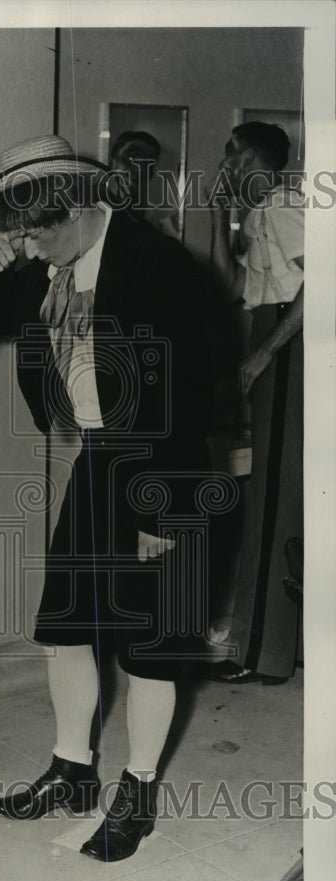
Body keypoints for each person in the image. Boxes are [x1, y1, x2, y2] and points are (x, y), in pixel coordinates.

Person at [0, 134, 211, 862]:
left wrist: (164, 512)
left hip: (159, 471)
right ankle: (72, 768)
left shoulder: (157, 263)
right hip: (99, 460)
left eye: (36, 233)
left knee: (151, 647)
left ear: (76, 207)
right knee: (66, 626)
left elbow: (187, 395)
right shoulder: (47, 258)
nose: (32, 251)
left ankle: (136, 792)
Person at [206, 121, 304, 685]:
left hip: (288, 348)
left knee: (272, 502)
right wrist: (218, 216)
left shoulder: (287, 204)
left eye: (229, 157)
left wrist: (264, 353)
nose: (225, 169)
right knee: (277, 496)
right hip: (274, 337)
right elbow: (227, 283)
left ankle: (260, 654)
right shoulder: (263, 212)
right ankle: (275, 646)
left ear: (250, 159)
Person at [108, 130, 180, 239]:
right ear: (110, 162)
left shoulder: (155, 223)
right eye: (131, 158)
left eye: (148, 165)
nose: (139, 169)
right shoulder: (92, 207)